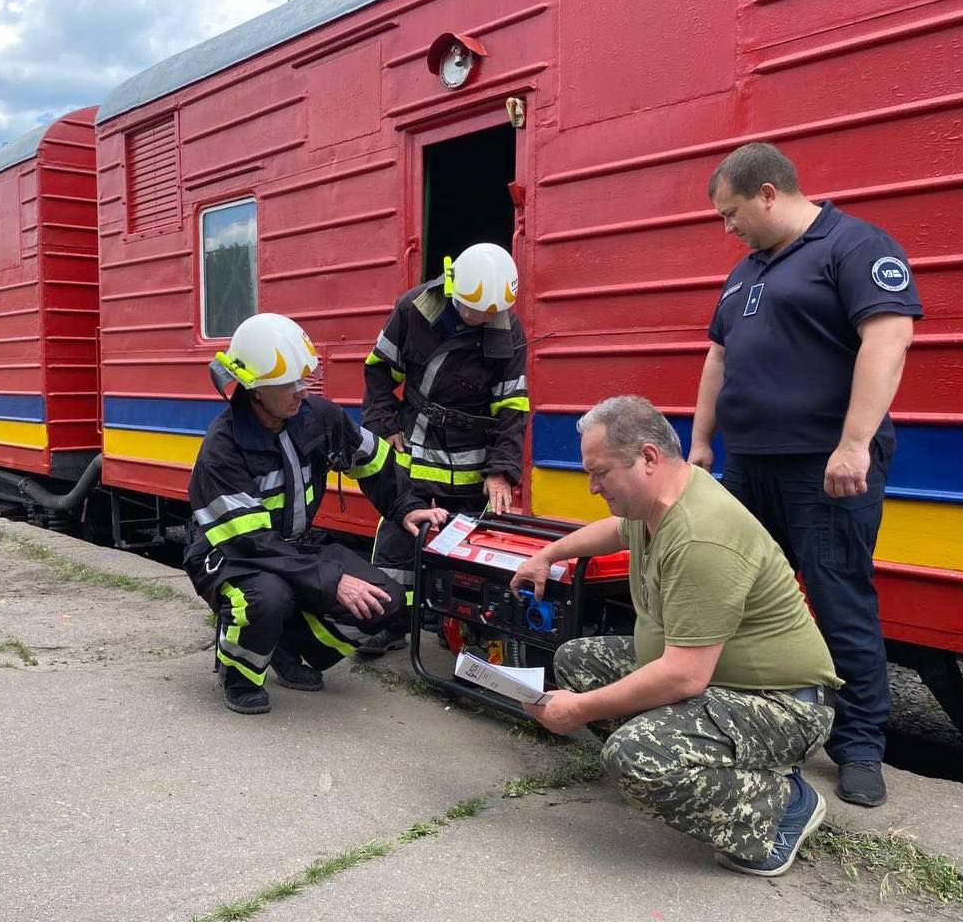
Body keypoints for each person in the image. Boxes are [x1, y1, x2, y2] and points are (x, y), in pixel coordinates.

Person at [512, 395, 840, 877]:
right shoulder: (662, 499)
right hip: (716, 679)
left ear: (647, 458)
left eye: (600, 473)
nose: (592, 487)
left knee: (633, 757)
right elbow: (615, 530)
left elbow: (684, 676)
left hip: (783, 704)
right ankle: (701, 761)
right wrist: (549, 554)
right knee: (576, 661)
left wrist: (577, 710)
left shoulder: (701, 536)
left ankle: (781, 805)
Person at [689, 142, 921, 807]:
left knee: (840, 599)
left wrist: (853, 444)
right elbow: (717, 359)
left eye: (731, 214)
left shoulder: (852, 246)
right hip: (748, 468)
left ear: (768, 193)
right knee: (731, 593)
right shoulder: (745, 273)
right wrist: (702, 443)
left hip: (824, 470)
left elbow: (889, 336)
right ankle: (741, 720)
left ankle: (859, 750)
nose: (726, 229)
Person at [183, 313, 447, 714]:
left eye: (303, 378)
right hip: (232, 555)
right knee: (266, 597)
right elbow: (251, 544)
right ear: (253, 389)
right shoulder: (223, 450)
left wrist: (406, 507)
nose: (301, 391)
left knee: (386, 602)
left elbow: (372, 460)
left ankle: (287, 647)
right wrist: (333, 581)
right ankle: (239, 673)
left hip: (293, 546)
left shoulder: (318, 417)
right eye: (288, 384)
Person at [357, 242, 530, 656]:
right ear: (453, 292)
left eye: (492, 314)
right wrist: (384, 424)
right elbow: (379, 370)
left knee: (469, 542)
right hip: (416, 438)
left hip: (475, 452)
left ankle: (458, 627)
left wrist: (502, 469)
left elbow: (513, 405)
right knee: (401, 533)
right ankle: (389, 621)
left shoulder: (507, 323)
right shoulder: (414, 310)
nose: (484, 320)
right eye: (475, 312)